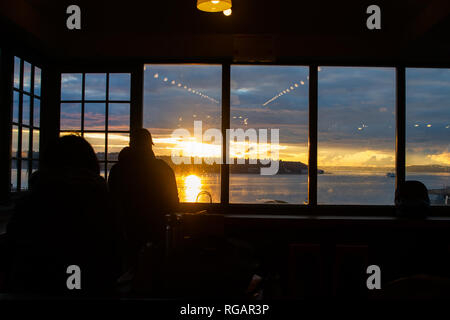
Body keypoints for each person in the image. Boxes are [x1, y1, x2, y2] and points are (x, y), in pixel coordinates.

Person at [5, 135, 119, 296]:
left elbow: (13, 255)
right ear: (91, 163)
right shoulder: (102, 202)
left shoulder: (31, 203)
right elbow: (113, 258)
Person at [108, 129, 179, 278]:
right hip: (157, 234)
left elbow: (111, 205)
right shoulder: (164, 170)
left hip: (125, 235)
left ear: (130, 144)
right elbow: (173, 204)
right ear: (150, 145)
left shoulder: (117, 171)